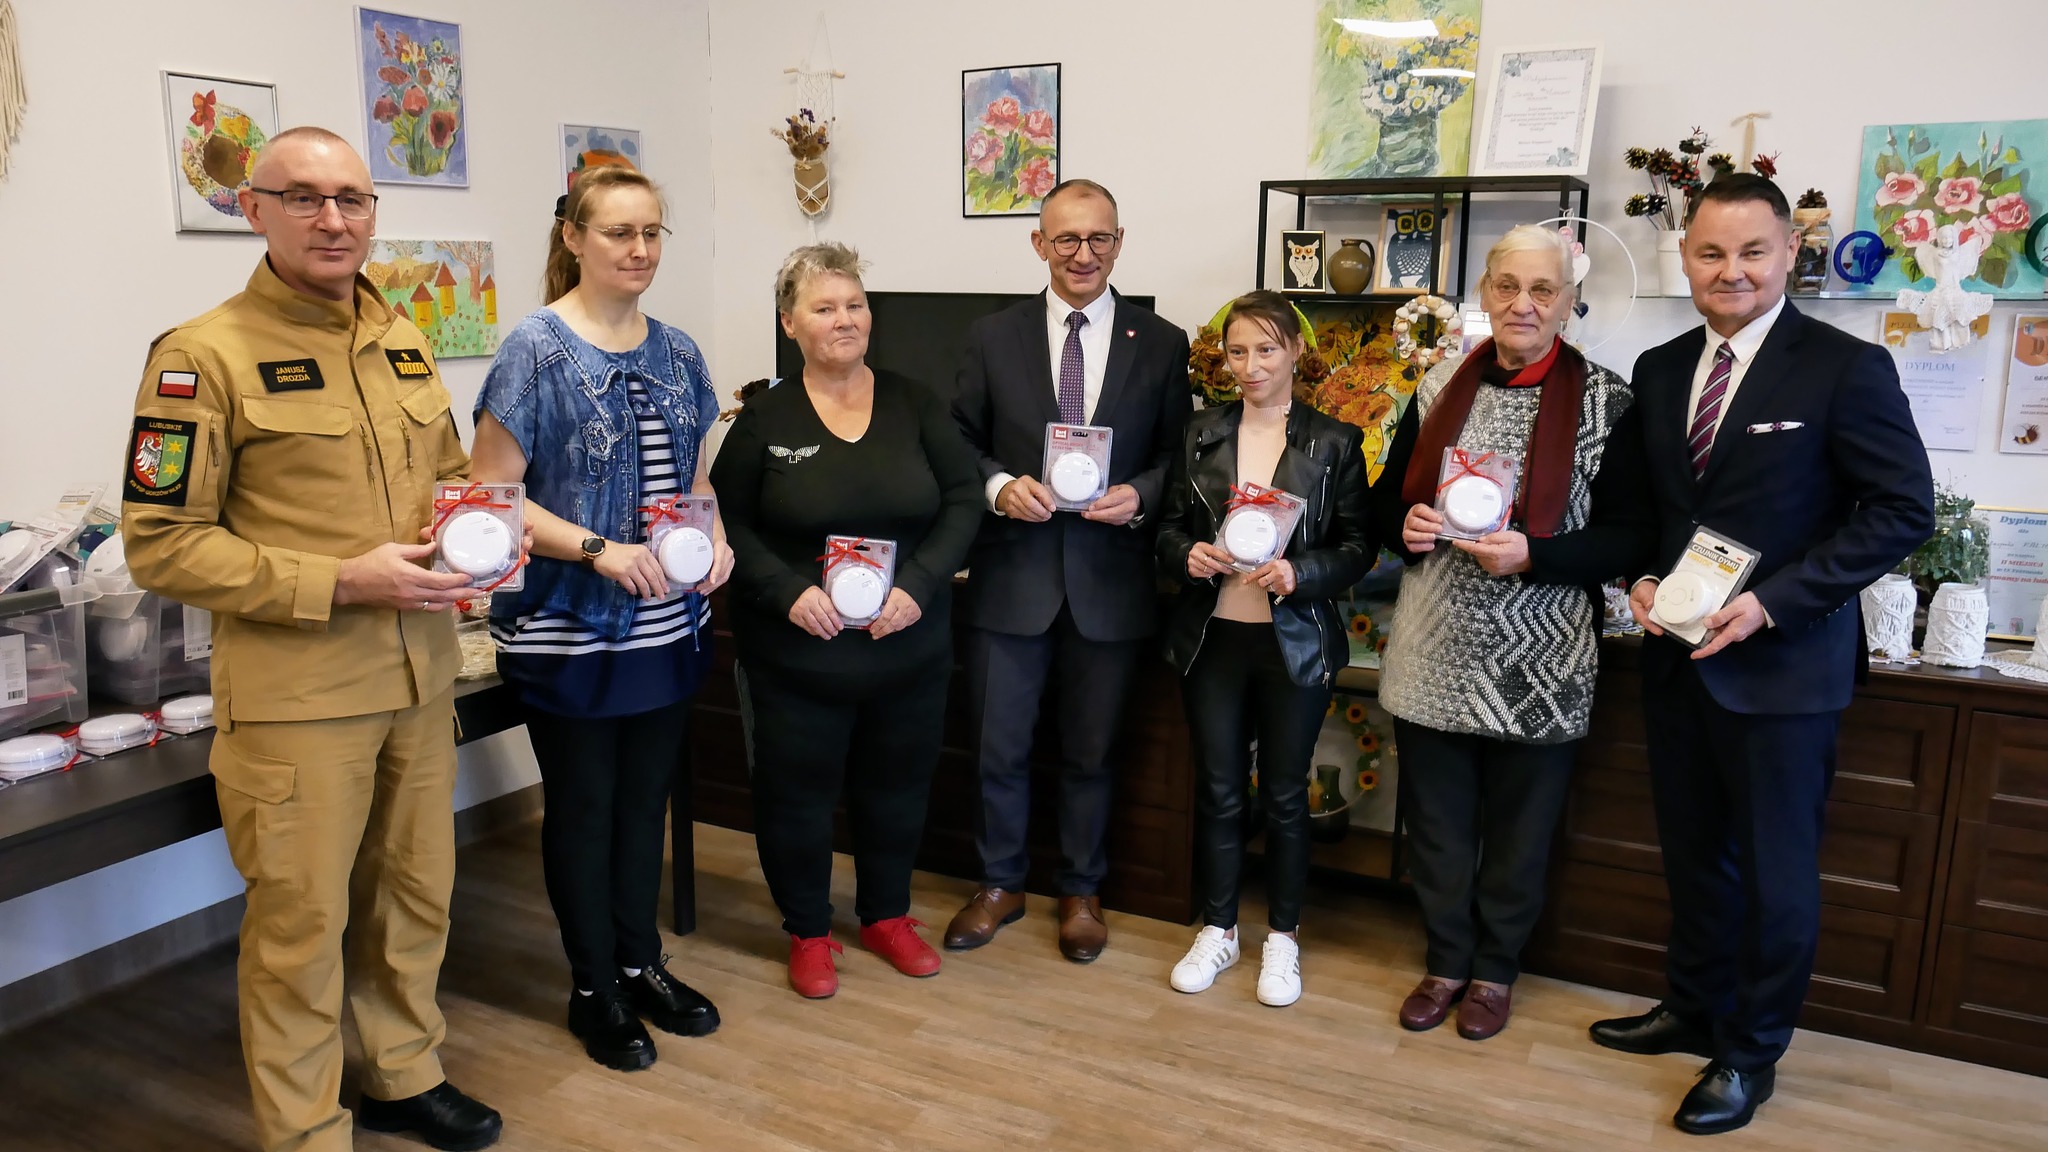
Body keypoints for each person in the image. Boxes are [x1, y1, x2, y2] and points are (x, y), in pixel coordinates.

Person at [120, 127, 502, 1152]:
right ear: (253, 209)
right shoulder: (201, 356)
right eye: (303, 197)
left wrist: (476, 533)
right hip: (299, 699)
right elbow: (160, 544)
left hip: (419, 679)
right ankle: (304, 1132)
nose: (332, 220)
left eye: (352, 199)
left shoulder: (403, 338)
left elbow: (448, 476)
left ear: (374, 213)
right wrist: (339, 579)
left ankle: (402, 1075)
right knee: (300, 929)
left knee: (413, 899)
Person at [1591, 175, 1934, 1135]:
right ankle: (1693, 1006)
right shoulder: (1661, 368)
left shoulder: (1845, 367)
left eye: (1752, 251)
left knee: (1777, 876)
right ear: (1686, 258)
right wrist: (1642, 578)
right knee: (1694, 856)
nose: (1731, 270)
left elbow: (1902, 510)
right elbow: (1639, 510)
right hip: (1678, 660)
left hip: (1784, 673)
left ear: (1790, 254)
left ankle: (1749, 1054)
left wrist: (1774, 603)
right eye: (1711, 252)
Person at [470, 167, 729, 1072]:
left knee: (642, 807)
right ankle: (593, 990)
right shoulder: (534, 352)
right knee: (585, 811)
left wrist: (716, 540)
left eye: (652, 232)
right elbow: (491, 500)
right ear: (574, 238)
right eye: (619, 232)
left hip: (665, 629)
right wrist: (597, 550)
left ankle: (639, 962)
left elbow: (696, 483)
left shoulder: (680, 353)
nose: (640, 249)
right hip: (570, 632)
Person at [1372, 224, 1653, 1042]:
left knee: (1521, 836)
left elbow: (1633, 535)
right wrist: (1406, 524)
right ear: (1485, 294)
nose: (1523, 304)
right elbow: (1386, 505)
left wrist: (1538, 554)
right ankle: (1445, 962)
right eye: (1507, 286)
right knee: (1437, 828)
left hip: (1543, 656)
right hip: (1434, 645)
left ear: (1569, 303)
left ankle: (1494, 971)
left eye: (1543, 290)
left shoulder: (1608, 401)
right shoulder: (1437, 386)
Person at [709, 243, 983, 999]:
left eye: (855, 305)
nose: (845, 319)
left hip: (906, 645)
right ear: (790, 323)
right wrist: (787, 592)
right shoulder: (763, 419)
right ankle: (807, 930)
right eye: (825, 307)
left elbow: (965, 501)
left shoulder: (914, 403)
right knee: (795, 797)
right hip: (799, 652)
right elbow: (727, 521)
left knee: (897, 789)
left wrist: (919, 587)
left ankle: (887, 916)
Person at [945, 179, 1193, 962]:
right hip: (1011, 578)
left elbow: (1179, 454)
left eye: (1098, 238)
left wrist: (1141, 494)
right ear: (1039, 244)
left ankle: (1082, 890)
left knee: (1092, 752)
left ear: (1119, 243)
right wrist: (997, 485)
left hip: (1110, 583)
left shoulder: (1162, 342)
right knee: (998, 748)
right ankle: (999, 883)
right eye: (1066, 239)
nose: (1083, 254)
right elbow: (956, 438)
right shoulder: (992, 337)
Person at [1154, 290, 1372, 1007]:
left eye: (1266, 350)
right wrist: (1186, 554)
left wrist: (1301, 572)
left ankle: (1282, 937)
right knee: (1219, 791)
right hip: (1212, 637)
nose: (1250, 366)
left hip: (1294, 643)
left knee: (1283, 795)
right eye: (1237, 351)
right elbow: (1167, 528)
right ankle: (1219, 930)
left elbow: (1359, 547)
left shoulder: (1333, 442)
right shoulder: (1201, 433)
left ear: (1296, 352)